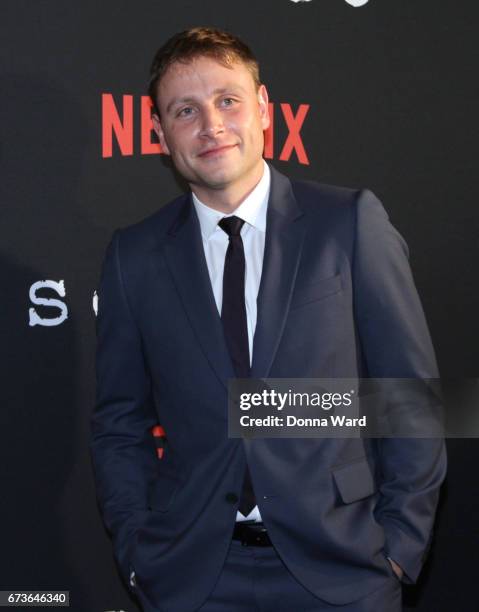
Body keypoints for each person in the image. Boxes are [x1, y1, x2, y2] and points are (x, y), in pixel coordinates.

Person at [90, 27, 446, 612]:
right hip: (191, 576)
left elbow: (408, 396)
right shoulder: (134, 256)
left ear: (262, 109)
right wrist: (137, 550)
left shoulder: (349, 222)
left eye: (228, 100)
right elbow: (119, 423)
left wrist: (400, 548)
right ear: (158, 135)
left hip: (343, 569)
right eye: (186, 110)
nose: (211, 125)